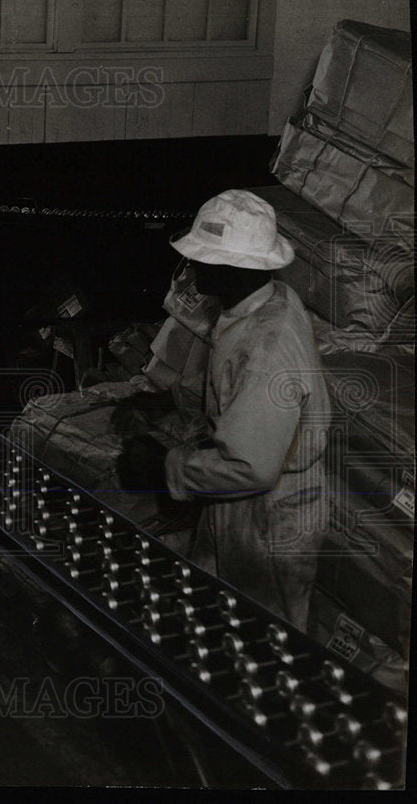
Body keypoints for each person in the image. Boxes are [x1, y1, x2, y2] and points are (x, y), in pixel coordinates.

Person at [117, 189, 330, 630]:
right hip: (240, 503)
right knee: (213, 611)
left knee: (265, 639)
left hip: (269, 517)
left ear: (237, 268)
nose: (192, 270)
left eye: (203, 260)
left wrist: (166, 467)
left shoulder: (266, 345)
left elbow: (250, 467)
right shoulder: (265, 302)